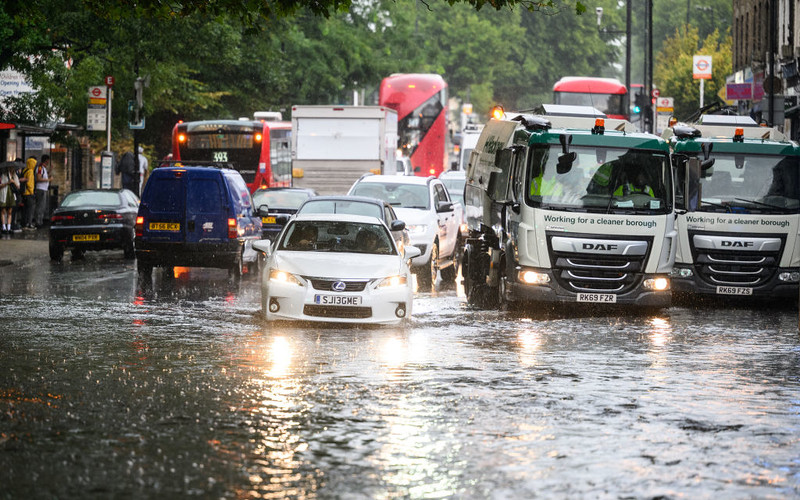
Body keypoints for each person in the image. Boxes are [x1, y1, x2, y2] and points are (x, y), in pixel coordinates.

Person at [0, 162, 20, 234]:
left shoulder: (15, 176)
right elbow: (0, 185)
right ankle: (4, 227)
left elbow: (18, 186)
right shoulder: (3, 175)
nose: (12, 169)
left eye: (13, 168)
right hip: (4, 194)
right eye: (10, 167)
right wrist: (7, 183)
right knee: (3, 211)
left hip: (12, 195)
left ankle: (9, 227)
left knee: (10, 212)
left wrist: (13, 182)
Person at [33, 154, 50, 228]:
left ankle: (40, 220)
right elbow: (39, 178)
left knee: (42, 206)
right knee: (40, 206)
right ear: (46, 161)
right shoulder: (40, 168)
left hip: (44, 189)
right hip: (41, 189)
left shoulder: (43, 168)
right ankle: (38, 221)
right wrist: (48, 180)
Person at [21, 156, 36, 229]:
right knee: (30, 209)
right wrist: (32, 192)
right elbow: (29, 183)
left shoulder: (25, 170)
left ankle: (24, 223)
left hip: (24, 193)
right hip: (29, 193)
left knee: (25, 209)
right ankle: (29, 223)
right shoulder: (30, 171)